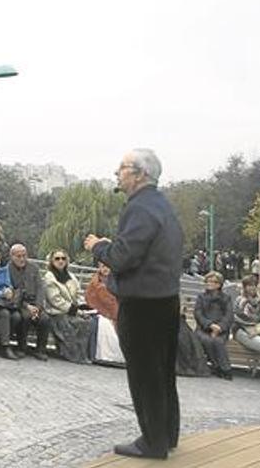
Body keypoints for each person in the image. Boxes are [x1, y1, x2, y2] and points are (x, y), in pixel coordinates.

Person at [85, 148, 183, 460]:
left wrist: (98, 246)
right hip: (165, 300)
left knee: (144, 374)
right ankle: (166, 433)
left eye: (123, 168)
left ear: (140, 174)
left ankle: (152, 442)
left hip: (142, 305)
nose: (117, 172)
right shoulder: (162, 205)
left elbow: (122, 258)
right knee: (162, 371)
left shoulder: (139, 209)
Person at [42, 249, 91, 364]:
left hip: (72, 310)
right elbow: (55, 300)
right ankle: (73, 355)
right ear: (52, 261)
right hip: (56, 312)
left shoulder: (71, 276)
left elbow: (78, 294)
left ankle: (87, 354)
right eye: (57, 259)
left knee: (90, 321)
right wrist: (75, 311)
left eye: (63, 258)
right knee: (76, 323)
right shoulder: (49, 277)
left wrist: (82, 306)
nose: (60, 261)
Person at [8, 244, 51, 361]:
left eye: (24, 255)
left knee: (45, 319)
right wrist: (27, 306)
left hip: (34, 303)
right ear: (12, 256)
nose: (22, 259)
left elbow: (40, 288)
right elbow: (12, 293)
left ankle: (40, 350)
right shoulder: (8, 269)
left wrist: (37, 307)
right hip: (19, 303)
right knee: (25, 317)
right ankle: (21, 347)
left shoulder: (34, 268)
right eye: (18, 256)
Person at [193, 271, 234, 380]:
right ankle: (218, 367)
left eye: (214, 282)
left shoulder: (226, 298)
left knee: (218, 341)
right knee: (207, 340)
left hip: (221, 330)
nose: (210, 283)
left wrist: (219, 327)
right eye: (208, 281)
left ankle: (225, 369)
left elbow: (229, 315)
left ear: (219, 284)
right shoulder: (201, 297)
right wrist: (210, 325)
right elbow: (198, 314)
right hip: (203, 329)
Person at [84, 262, 125, 365]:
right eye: (102, 266)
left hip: (118, 312)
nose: (105, 269)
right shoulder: (95, 283)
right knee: (105, 326)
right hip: (101, 313)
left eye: (107, 266)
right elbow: (91, 300)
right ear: (99, 268)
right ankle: (106, 356)